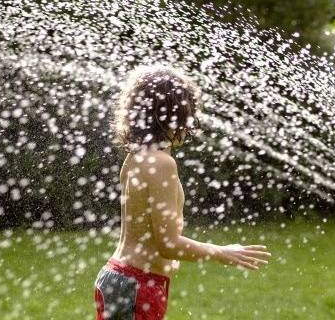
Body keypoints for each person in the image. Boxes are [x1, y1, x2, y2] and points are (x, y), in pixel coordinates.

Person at [93, 66, 272, 320]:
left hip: (120, 278)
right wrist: (222, 252)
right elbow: (168, 244)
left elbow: (148, 234)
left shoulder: (136, 157)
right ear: (172, 114)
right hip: (137, 286)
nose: (190, 123)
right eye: (187, 113)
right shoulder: (162, 163)